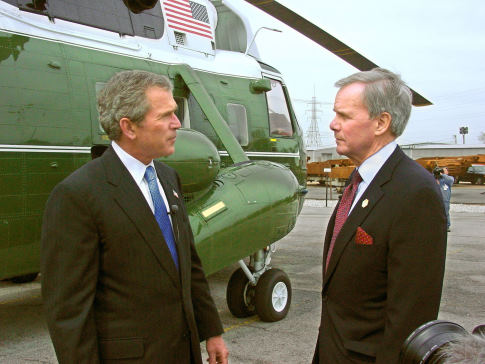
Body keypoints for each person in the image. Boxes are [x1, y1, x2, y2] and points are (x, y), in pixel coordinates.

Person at [41, 70, 228, 364]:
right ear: (129, 127)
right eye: (165, 116)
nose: (177, 124)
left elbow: (188, 265)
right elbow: (69, 312)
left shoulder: (169, 179)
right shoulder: (78, 194)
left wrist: (212, 331)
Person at [313, 68, 447, 364]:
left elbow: (410, 317)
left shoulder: (415, 192)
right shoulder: (360, 181)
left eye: (344, 116)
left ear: (381, 122)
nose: (333, 125)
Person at [434, 166, 454, 231]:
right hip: (436, 199)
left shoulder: (448, 179)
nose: (442, 171)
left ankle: (446, 226)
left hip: (445, 200)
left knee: (445, 213)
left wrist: (443, 174)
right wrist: (435, 173)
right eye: (442, 170)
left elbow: (450, 181)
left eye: (444, 170)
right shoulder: (435, 178)